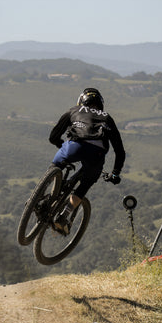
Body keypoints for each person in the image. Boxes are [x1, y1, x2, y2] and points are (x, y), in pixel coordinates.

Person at [49, 87, 126, 234]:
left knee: (55, 166)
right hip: (95, 155)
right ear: (100, 104)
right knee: (86, 183)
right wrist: (115, 173)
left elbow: (53, 137)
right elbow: (119, 151)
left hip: (73, 147)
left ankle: (43, 196)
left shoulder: (74, 110)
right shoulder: (107, 118)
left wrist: (61, 146)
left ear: (81, 101)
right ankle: (64, 215)